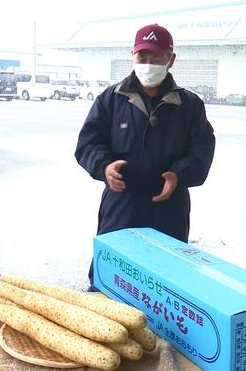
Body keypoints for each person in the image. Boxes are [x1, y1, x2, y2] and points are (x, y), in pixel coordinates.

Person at [75, 24, 216, 287]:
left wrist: (177, 175)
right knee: (109, 282)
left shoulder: (190, 106)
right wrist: (104, 167)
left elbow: (202, 152)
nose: (148, 64)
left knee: (165, 283)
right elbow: (87, 144)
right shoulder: (111, 99)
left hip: (170, 209)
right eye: (143, 57)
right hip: (121, 205)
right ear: (133, 56)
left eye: (157, 58)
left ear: (171, 60)